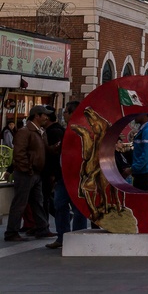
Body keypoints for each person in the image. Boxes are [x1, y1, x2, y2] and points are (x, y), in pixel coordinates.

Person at [5, 105, 56, 242]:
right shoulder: (25, 131)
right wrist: (27, 169)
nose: (47, 117)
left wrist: (56, 147)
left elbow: (45, 150)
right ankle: (11, 232)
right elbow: (19, 153)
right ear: (37, 116)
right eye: (44, 115)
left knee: (37, 202)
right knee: (20, 203)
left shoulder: (40, 132)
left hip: (35, 173)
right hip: (26, 173)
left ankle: (42, 229)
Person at [46, 101, 87, 249]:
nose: (63, 114)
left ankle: (77, 237)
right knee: (59, 204)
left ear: (72, 113)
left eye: (66, 112)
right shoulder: (66, 130)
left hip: (76, 175)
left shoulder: (81, 130)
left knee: (78, 207)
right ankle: (62, 236)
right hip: (63, 174)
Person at [126, 113, 148, 191]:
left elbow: (147, 155)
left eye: (137, 113)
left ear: (145, 114)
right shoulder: (144, 130)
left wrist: (132, 169)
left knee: (145, 199)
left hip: (145, 172)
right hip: (141, 171)